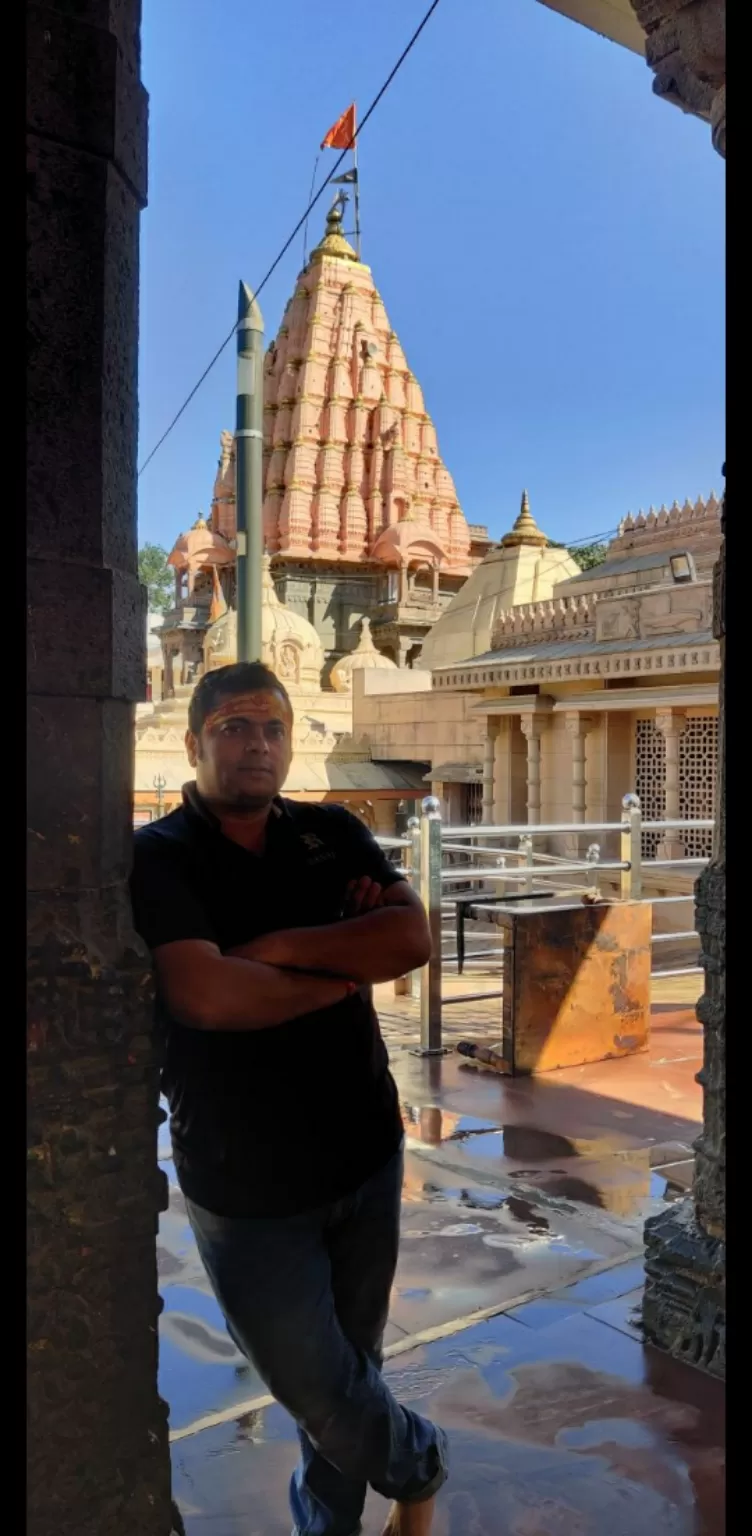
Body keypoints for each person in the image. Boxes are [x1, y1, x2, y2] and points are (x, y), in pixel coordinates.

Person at [130, 661, 448, 1536]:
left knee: (353, 1364)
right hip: (244, 1172)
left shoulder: (331, 831)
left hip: (362, 1148)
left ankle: (328, 1526)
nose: (255, 745)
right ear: (193, 744)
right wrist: (341, 968)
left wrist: (270, 948)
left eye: (271, 728)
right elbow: (208, 998)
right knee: (313, 1378)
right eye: (233, 727)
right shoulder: (159, 857)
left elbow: (410, 935)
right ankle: (419, 1467)